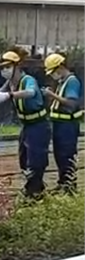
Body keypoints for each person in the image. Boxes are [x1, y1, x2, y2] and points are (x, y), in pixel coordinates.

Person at [0, 50, 50, 197]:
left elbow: (31, 92)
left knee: (36, 158)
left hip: (38, 124)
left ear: (17, 66)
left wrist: (10, 95)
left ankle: (35, 192)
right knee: (23, 157)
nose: (3, 71)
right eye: (1, 68)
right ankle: (33, 186)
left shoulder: (28, 80)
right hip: (26, 125)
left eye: (6, 67)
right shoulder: (10, 83)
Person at [43, 53, 82, 193]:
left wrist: (52, 95)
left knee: (67, 155)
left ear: (60, 67)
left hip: (68, 127)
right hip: (59, 125)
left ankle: (70, 187)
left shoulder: (72, 81)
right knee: (59, 155)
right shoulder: (62, 82)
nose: (52, 75)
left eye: (53, 71)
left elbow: (71, 103)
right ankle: (63, 183)